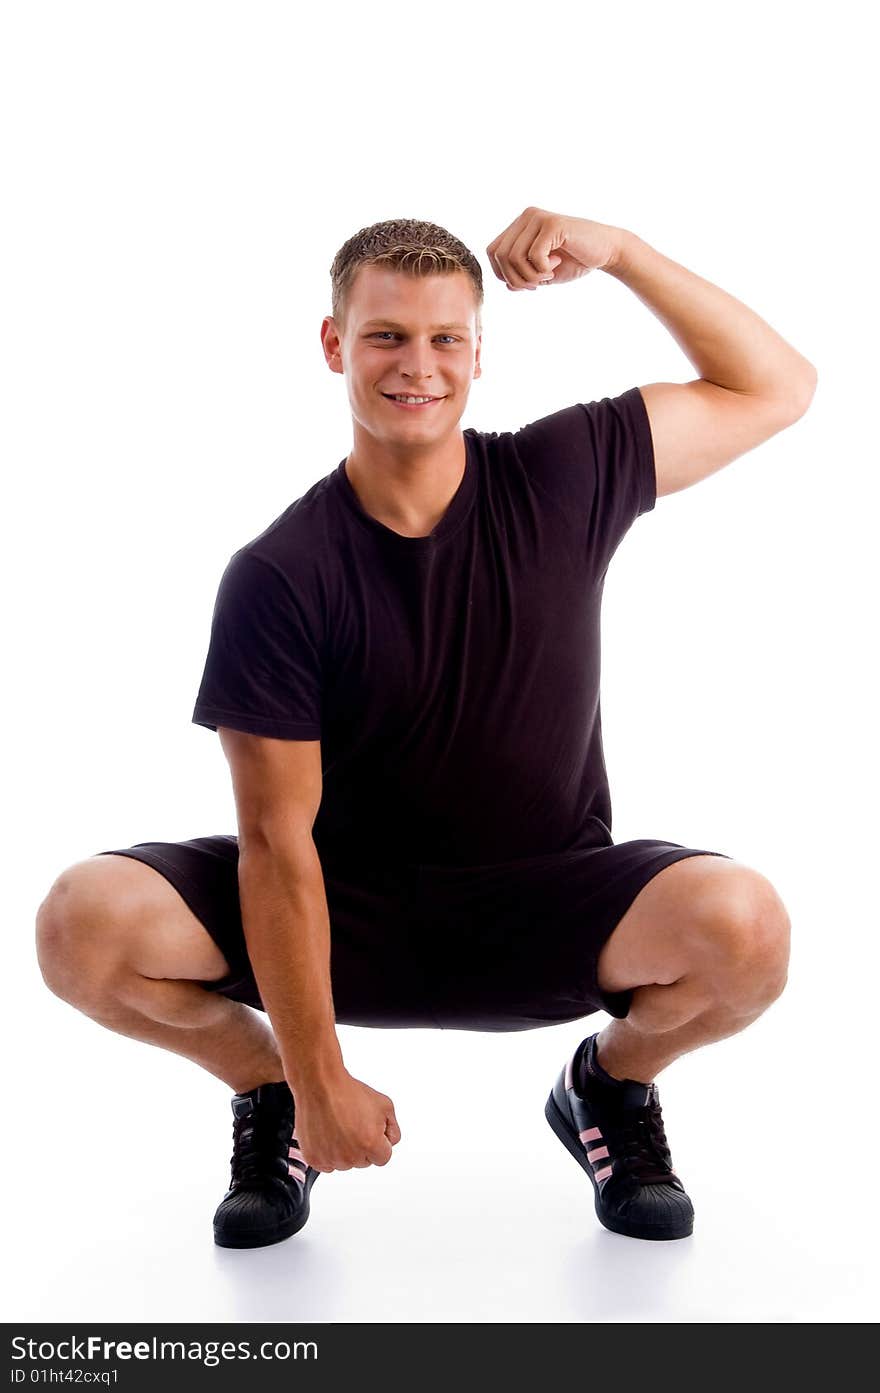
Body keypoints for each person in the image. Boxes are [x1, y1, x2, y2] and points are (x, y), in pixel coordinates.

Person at [35, 208, 817, 1249]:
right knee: (82, 924)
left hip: (545, 899)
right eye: (386, 336)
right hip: (342, 913)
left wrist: (619, 251)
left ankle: (608, 1089)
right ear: (334, 346)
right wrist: (315, 1077)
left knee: (746, 927)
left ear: (479, 354)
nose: (418, 364)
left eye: (445, 338)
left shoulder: (562, 474)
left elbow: (776, 386)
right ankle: (270, 1098)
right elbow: (276, 843)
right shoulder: (281, 574)